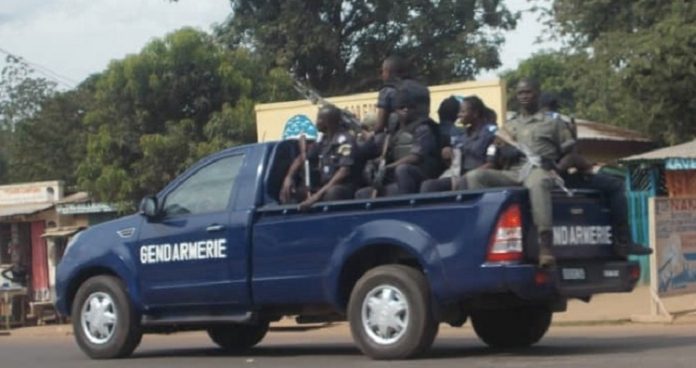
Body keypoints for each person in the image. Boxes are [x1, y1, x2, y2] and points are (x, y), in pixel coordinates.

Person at [462, 79, 576, 268]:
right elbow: (495, 153)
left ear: (537, 94)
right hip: (513, 171)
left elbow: (571, 151)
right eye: (520, 93)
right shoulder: (510, 125)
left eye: (528, 92)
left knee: (538, 184)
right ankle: (485, 235)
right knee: (475, 177)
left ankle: (545, 245)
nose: (524, 96)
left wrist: (559, 167)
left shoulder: (552, 122)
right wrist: (504, 151)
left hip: (539, 169)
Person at [541, 93, 652, 258]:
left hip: (535, 179)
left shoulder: (524, 125)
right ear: (555, 106)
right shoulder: (558, 123)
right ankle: (623, 241)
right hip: (559, 178)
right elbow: (572, 156)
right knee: (616, 185)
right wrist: (585, 167)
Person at [356, 81, 439, 197]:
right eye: (402, 107)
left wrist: (389, 167)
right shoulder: (393, 132)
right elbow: (385, 154)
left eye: (410, 107)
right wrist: (374, 165)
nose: (406, 110)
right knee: (362, 194)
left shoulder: (422, 128)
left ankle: (406, 208)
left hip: (420, 175)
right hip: (396, 179)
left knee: (403, 170)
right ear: (395, 111)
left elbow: (416, 157)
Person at [279, 106, 360, 210]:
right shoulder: (323, 140)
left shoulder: (345, 140)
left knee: (332, 193)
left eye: (319, 119)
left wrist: (317, 196)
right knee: (293, 193)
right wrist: (288, 177)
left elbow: (344, 171)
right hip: (325, 185)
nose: (316, 122)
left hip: (343, 186)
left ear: (328, 122)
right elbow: (303, 158)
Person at [421, 96, 498, 192]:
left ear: (475, 113)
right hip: (458, 175)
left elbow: (491, 164)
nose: (458, 115)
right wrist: (447, 154)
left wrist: (467, 176)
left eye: (463, 112)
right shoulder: (462, 135)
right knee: (428, 185)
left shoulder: (490, 134)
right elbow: (454, 163)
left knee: (462, 184)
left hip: (478, 177)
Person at [374, 55, 413, 134]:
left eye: (382, 71)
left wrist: (370, 134)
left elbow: (380, 126)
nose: (382, 75)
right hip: (419, 133)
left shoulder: (387, 91)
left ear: (387, 72)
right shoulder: (417, 88)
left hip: (398, 136)